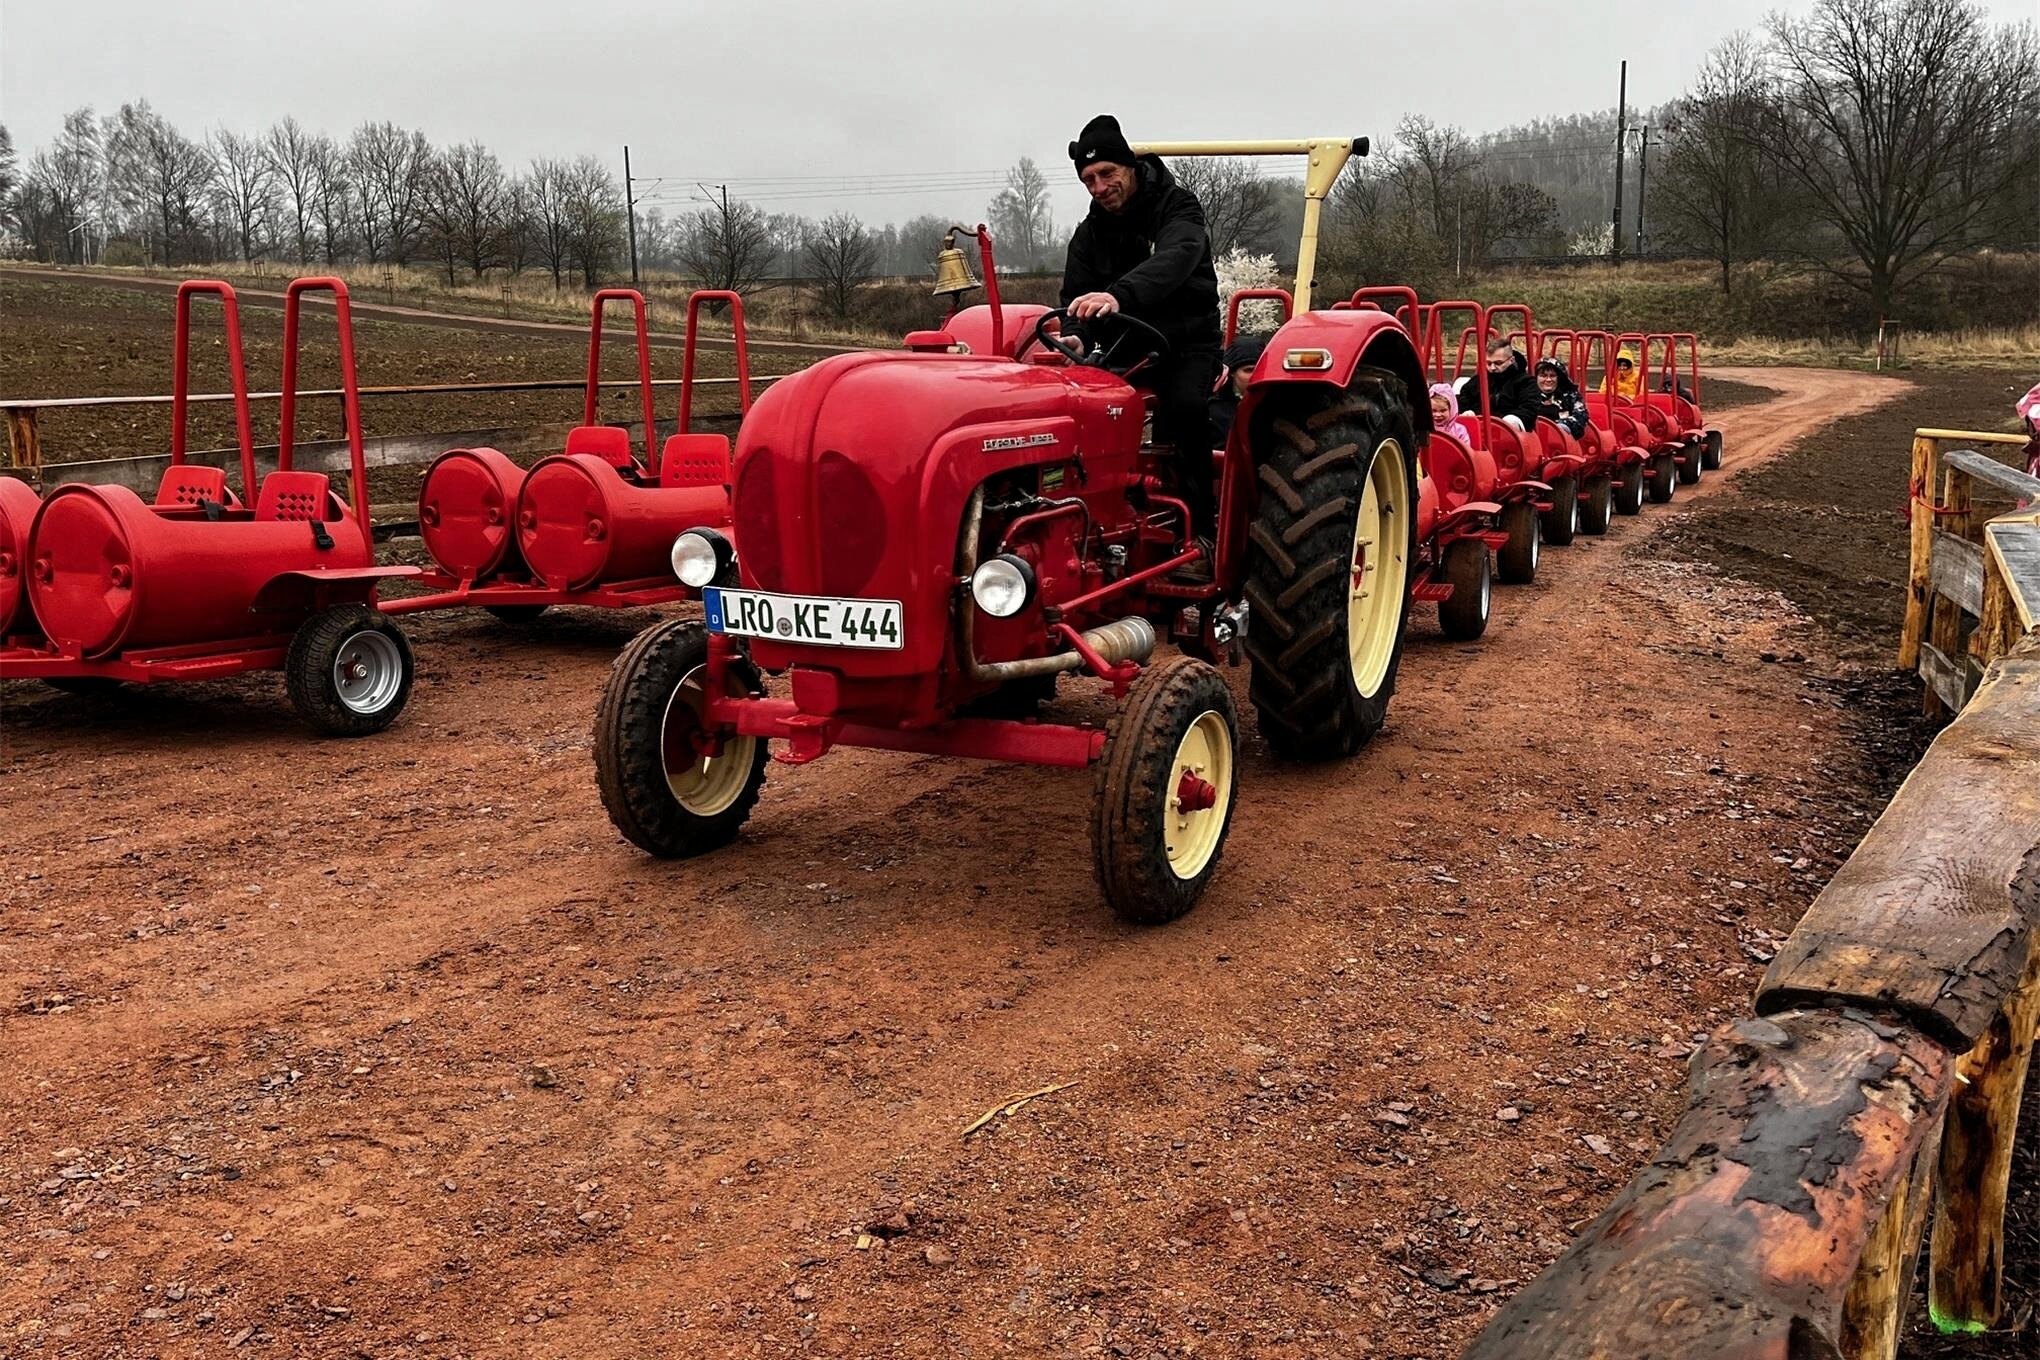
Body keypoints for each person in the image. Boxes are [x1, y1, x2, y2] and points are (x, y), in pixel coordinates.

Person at [1061, 114, 1224, 543]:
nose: (1098, 187)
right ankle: (1095, 522)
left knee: (1184, 410)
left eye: (1106, 173)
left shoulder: (1178, 207)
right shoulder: (1090, 234)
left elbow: (1177, 257)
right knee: (1075, 409)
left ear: (1129, 166)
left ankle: (1200, 533)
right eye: (1088, 179)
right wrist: (1074, 331)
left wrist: (1119, 295)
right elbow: (1074, 295)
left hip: (1186, 342)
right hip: (1124, 345)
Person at [1455, 333, 1541, 434]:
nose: (1492, 368)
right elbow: (1464, 399)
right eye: (1489, 363)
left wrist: (1508, 421)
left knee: (1511, 421)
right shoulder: (1478, 380)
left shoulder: (1526, 382)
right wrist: (1469, 412)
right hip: (1480, 430)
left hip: (1513, 434)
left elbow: (1529, 409)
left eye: (1498, 363)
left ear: (1511, 360)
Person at [1208, 332, 1267, 448]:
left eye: (1260, 369)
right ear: (1233, 373)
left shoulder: (1276, 409)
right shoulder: (1213, 412)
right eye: (1248, 370)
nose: (1255, 376)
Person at [1533, 357, 1590, 438]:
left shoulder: (1571, 396)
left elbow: (1581, 417)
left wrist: (1561, 427)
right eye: (1543, 376)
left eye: (1552, 376)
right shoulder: (1529, 395)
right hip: (1535, 440)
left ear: (1559, 378)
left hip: (1564, 442)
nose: (1548, 379)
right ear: (1537, 378)